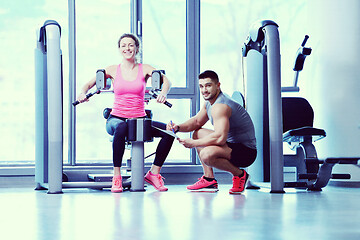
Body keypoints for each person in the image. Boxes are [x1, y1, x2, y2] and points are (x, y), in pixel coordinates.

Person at [76, 33, 174, 193]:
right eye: (123, 45)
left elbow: (167, 81)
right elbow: (88, 84)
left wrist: (164, 93)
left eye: (130, 45)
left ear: (137, 48)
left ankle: (154, 173)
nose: (127, 48)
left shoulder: (146, 69)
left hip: (139, 119)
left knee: (169, 132)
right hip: (116, 119)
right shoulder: (113, 69)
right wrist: (82, 94)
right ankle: (117, 176)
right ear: (119, 49)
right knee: (121, 127)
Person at [167, 70, 257, 194]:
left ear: (218, 85)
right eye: (201, 86)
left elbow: (220, 138)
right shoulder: (209, 103)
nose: (204, 90)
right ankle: (209, 179)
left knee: (206, 154)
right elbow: (197, 121)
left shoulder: (220, 106)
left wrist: (193, 143)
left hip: (246, 152)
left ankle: (240, 175)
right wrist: (177, 127)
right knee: (197, 132)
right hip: (231, 144)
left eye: (208, 85)